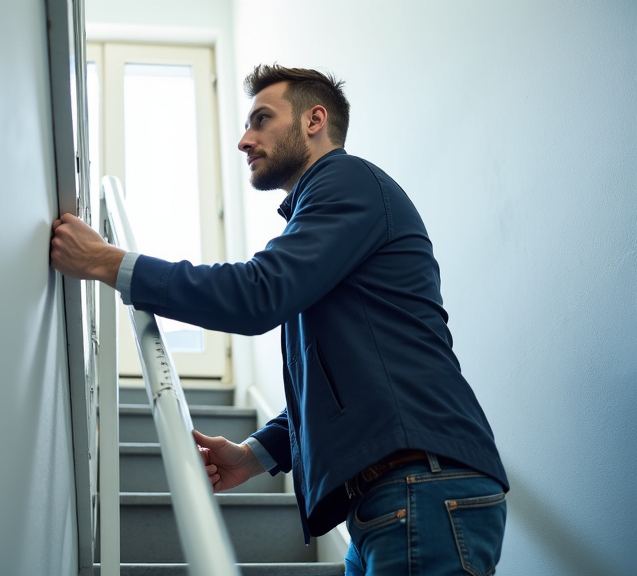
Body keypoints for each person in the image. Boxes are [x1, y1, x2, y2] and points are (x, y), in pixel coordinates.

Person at [50, 64, 508, 575]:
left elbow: (257, 294)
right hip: (393, 497)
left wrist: (107, 262)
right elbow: (344, 381)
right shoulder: (329, 212)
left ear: (315, 120)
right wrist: (255, 454)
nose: (245, 140)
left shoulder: (346, 180)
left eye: (261, 119)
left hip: (420, 486)